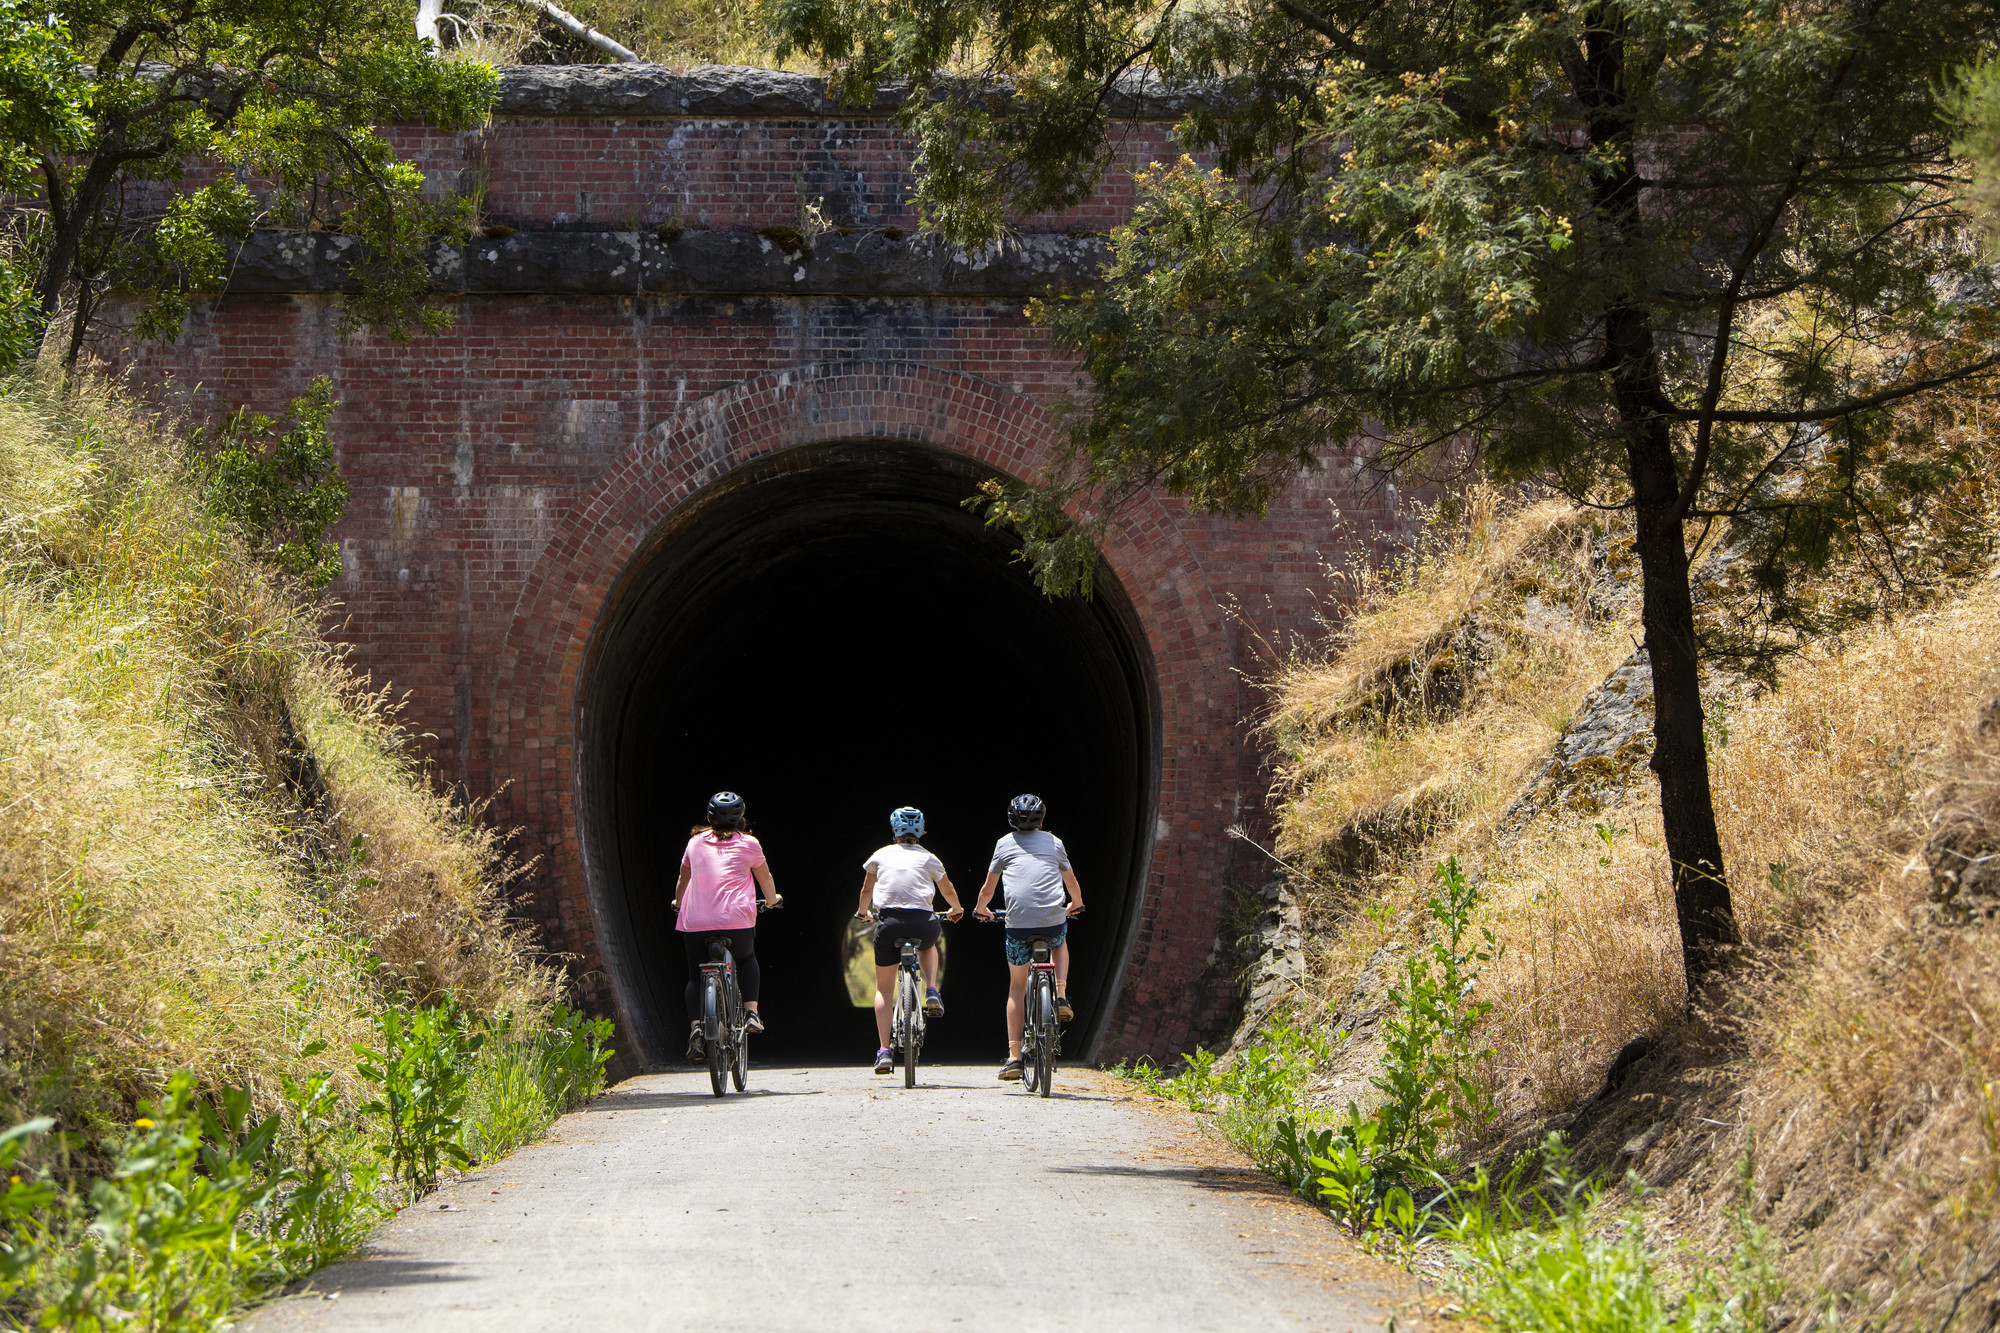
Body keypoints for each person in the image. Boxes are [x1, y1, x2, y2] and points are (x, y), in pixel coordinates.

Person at [972, 793, 1084, 1081]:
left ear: (1011, 820)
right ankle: (1060, 995)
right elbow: (1071, 883)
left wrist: (981, 909)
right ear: (1042, 819)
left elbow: (988, 888)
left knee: (1017, 987)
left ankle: (1014, 1057)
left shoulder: (1003, 845)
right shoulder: (1055, 842)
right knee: (1060, 941)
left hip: (1018, 925)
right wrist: (1076, 903)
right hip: (1052, 921)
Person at [670, 791, 781, 1064]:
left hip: (695, 922)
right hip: (737, 920)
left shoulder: (694, 844)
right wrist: (772, 900)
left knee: (695, 977)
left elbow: (683, 878)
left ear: (709, 817)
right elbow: (764, 877)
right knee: (747, 959)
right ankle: (751, 1012)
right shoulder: (750, 844)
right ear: (741, 818)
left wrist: (677, 901)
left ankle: (696, 1025)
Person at [857, 806, 965, 1074]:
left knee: (883, 990)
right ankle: (931, 989)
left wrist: (862, 913)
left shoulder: (880, 855)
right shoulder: (930, 858)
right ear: (921, 831)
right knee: (929, 945)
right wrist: (956, 908)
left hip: (889, 923)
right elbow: (947, 889)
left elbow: (867, 889)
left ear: (894, 831)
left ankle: (884, 1051)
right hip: (923, 923)